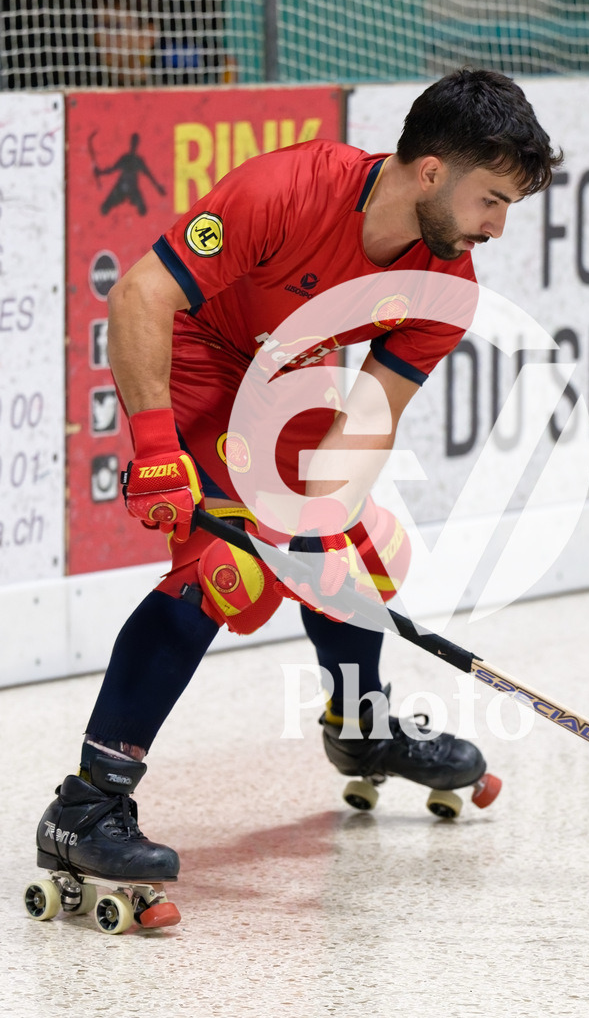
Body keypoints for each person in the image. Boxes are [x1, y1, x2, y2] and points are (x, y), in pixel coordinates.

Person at [35, 69, 561, 912]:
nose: (497, 226)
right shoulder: (288, 188)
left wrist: (321, 530)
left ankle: (360, 728)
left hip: (283, 385)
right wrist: (154, 449)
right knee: (225, 573)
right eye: (491, 199)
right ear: (430, 171)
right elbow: (140, 293)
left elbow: (366, 422)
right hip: (194, 360)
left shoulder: (446, 286)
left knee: (352, 555)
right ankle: (86, 803)